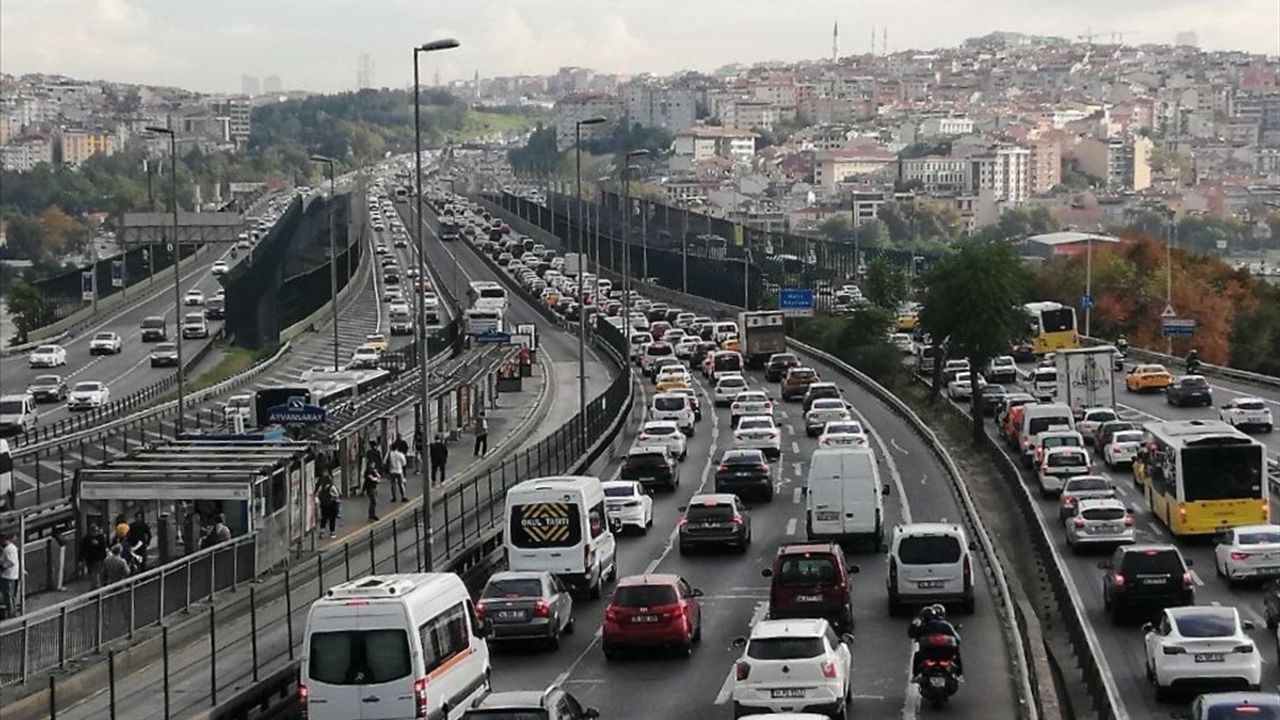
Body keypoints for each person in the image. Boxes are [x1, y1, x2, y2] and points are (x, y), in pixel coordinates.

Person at [908, 604, 963, 679]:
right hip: (944, 653)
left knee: (917, 655)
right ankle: (959, 674)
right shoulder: (946, 625)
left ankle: (916, 675)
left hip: (930, 653)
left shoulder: (923, 627)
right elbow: (958, 640)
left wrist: (914, 625)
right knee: (957, 654)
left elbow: (911, 634)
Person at [78, 525, 109, 589]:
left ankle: (95, 587)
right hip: (90, 559)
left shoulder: (100, 538)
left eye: (97, 531)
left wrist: (105, 557)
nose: (96, 532)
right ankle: (95, 586)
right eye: (94, 531)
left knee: (96, 573)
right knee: (92, 573)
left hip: (98, 559)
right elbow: (82, 549)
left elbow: (103, 548)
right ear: (90, 531)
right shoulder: (86, 539)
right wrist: (80, 560)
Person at [0, 533, 18, 619]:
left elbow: (11, 562)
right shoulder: (11, 548)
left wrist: (3, 567)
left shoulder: (8, 549)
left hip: (8, 575)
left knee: (8, 595)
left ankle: (11, 614)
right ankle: (11, 612)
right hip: (11, 575)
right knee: (10, 595)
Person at [317, 473, 340, 538]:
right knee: (332, 519)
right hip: (331, 505)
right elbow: (337, 495)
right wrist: (332, 496)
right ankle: (332, 533)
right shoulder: (332, 487)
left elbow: (318, 494)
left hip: (323, 505)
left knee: (324, 518)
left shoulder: (322, 486)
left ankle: (322, 532)